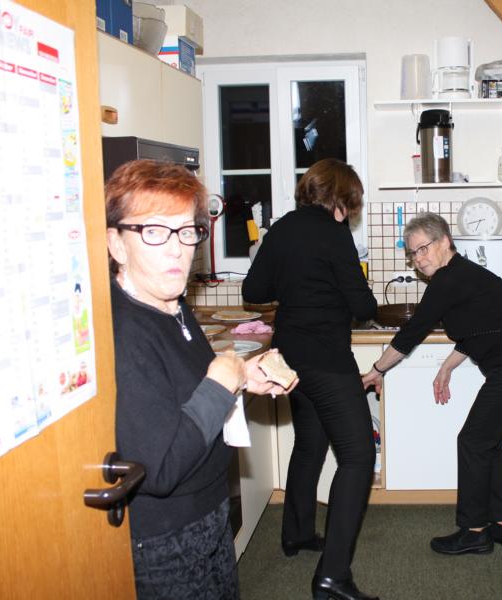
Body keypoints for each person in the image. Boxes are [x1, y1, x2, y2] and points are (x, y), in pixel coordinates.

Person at [106, 160, 296, 599]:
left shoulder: (171, 304)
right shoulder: (123, 331)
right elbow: (158, 470)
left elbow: (186, 394)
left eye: (186, 231)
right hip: (165, 539)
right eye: (154, 231)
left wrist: (244, 376)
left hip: (208, 512)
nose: (177, 250)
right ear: (116, 243)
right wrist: (220, 382)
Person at [361, 212, 502, 556]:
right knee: (486, 442)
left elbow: (412, 332)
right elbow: (479, 329)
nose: (418, 259)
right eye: (413, 253)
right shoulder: (461, 276)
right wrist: (448, 366)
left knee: (473, 441)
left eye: (423, 249)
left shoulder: (449, 280)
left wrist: (377, 370)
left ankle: (474, 531)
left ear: (445, 241)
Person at [242, 158, 379, 600]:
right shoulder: (335, 234)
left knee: (311, 443)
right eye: (351, 203)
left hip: (289, 358)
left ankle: (297, 533)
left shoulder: (282, 228)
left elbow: (253, 291)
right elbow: (364, 307)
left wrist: (296, 285)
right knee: (358, 456)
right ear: (341, 198)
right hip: (325, 358)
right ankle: (333, 576)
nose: (351, 212)